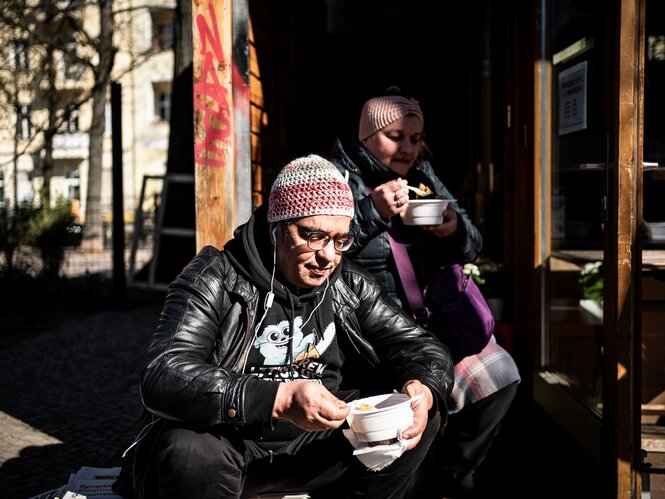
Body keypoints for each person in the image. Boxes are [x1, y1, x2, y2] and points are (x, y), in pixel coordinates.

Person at [112, 154, 455, 499]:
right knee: (188, 449)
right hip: (232, 445)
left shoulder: (346, 284)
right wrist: (278, 398)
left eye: (340, 241)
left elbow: (423, 348)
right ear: (276, 230)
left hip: (316, 447)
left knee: (412, 416)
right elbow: (163, 372)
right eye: (314, 236)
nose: (328, 257)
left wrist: (423, 388)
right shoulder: (216, 276)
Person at [328, 88, 521, 498]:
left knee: (500, 375)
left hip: (434, 319)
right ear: (366, 137)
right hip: (373, 329)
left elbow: (473, 243)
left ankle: (450, 477)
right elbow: (321, 251)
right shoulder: (336, 177)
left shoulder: (422, 174)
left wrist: (453, 229)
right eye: (396, 137)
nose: (408, 149)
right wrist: (371, 213)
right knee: (414, 409)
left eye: (415, 139)